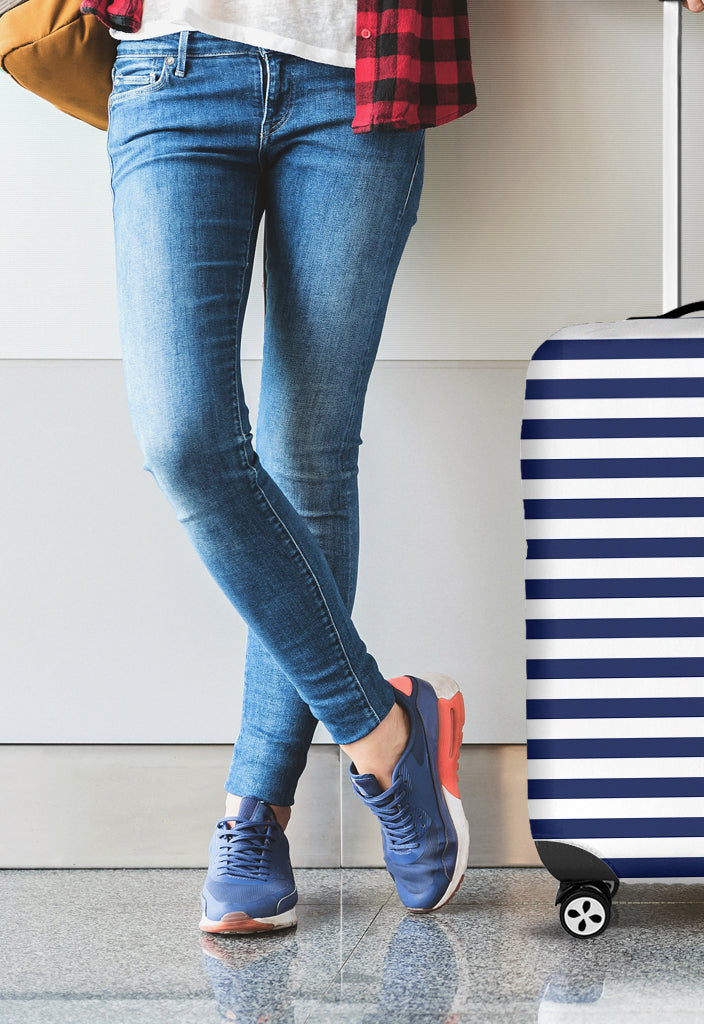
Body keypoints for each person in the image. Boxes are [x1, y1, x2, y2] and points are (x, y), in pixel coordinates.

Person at [85, 0, 475, 933]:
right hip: (173, 69)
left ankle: (255, 813)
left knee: (308, 456)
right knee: (184, 442)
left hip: (359, 78)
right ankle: (385, 730)